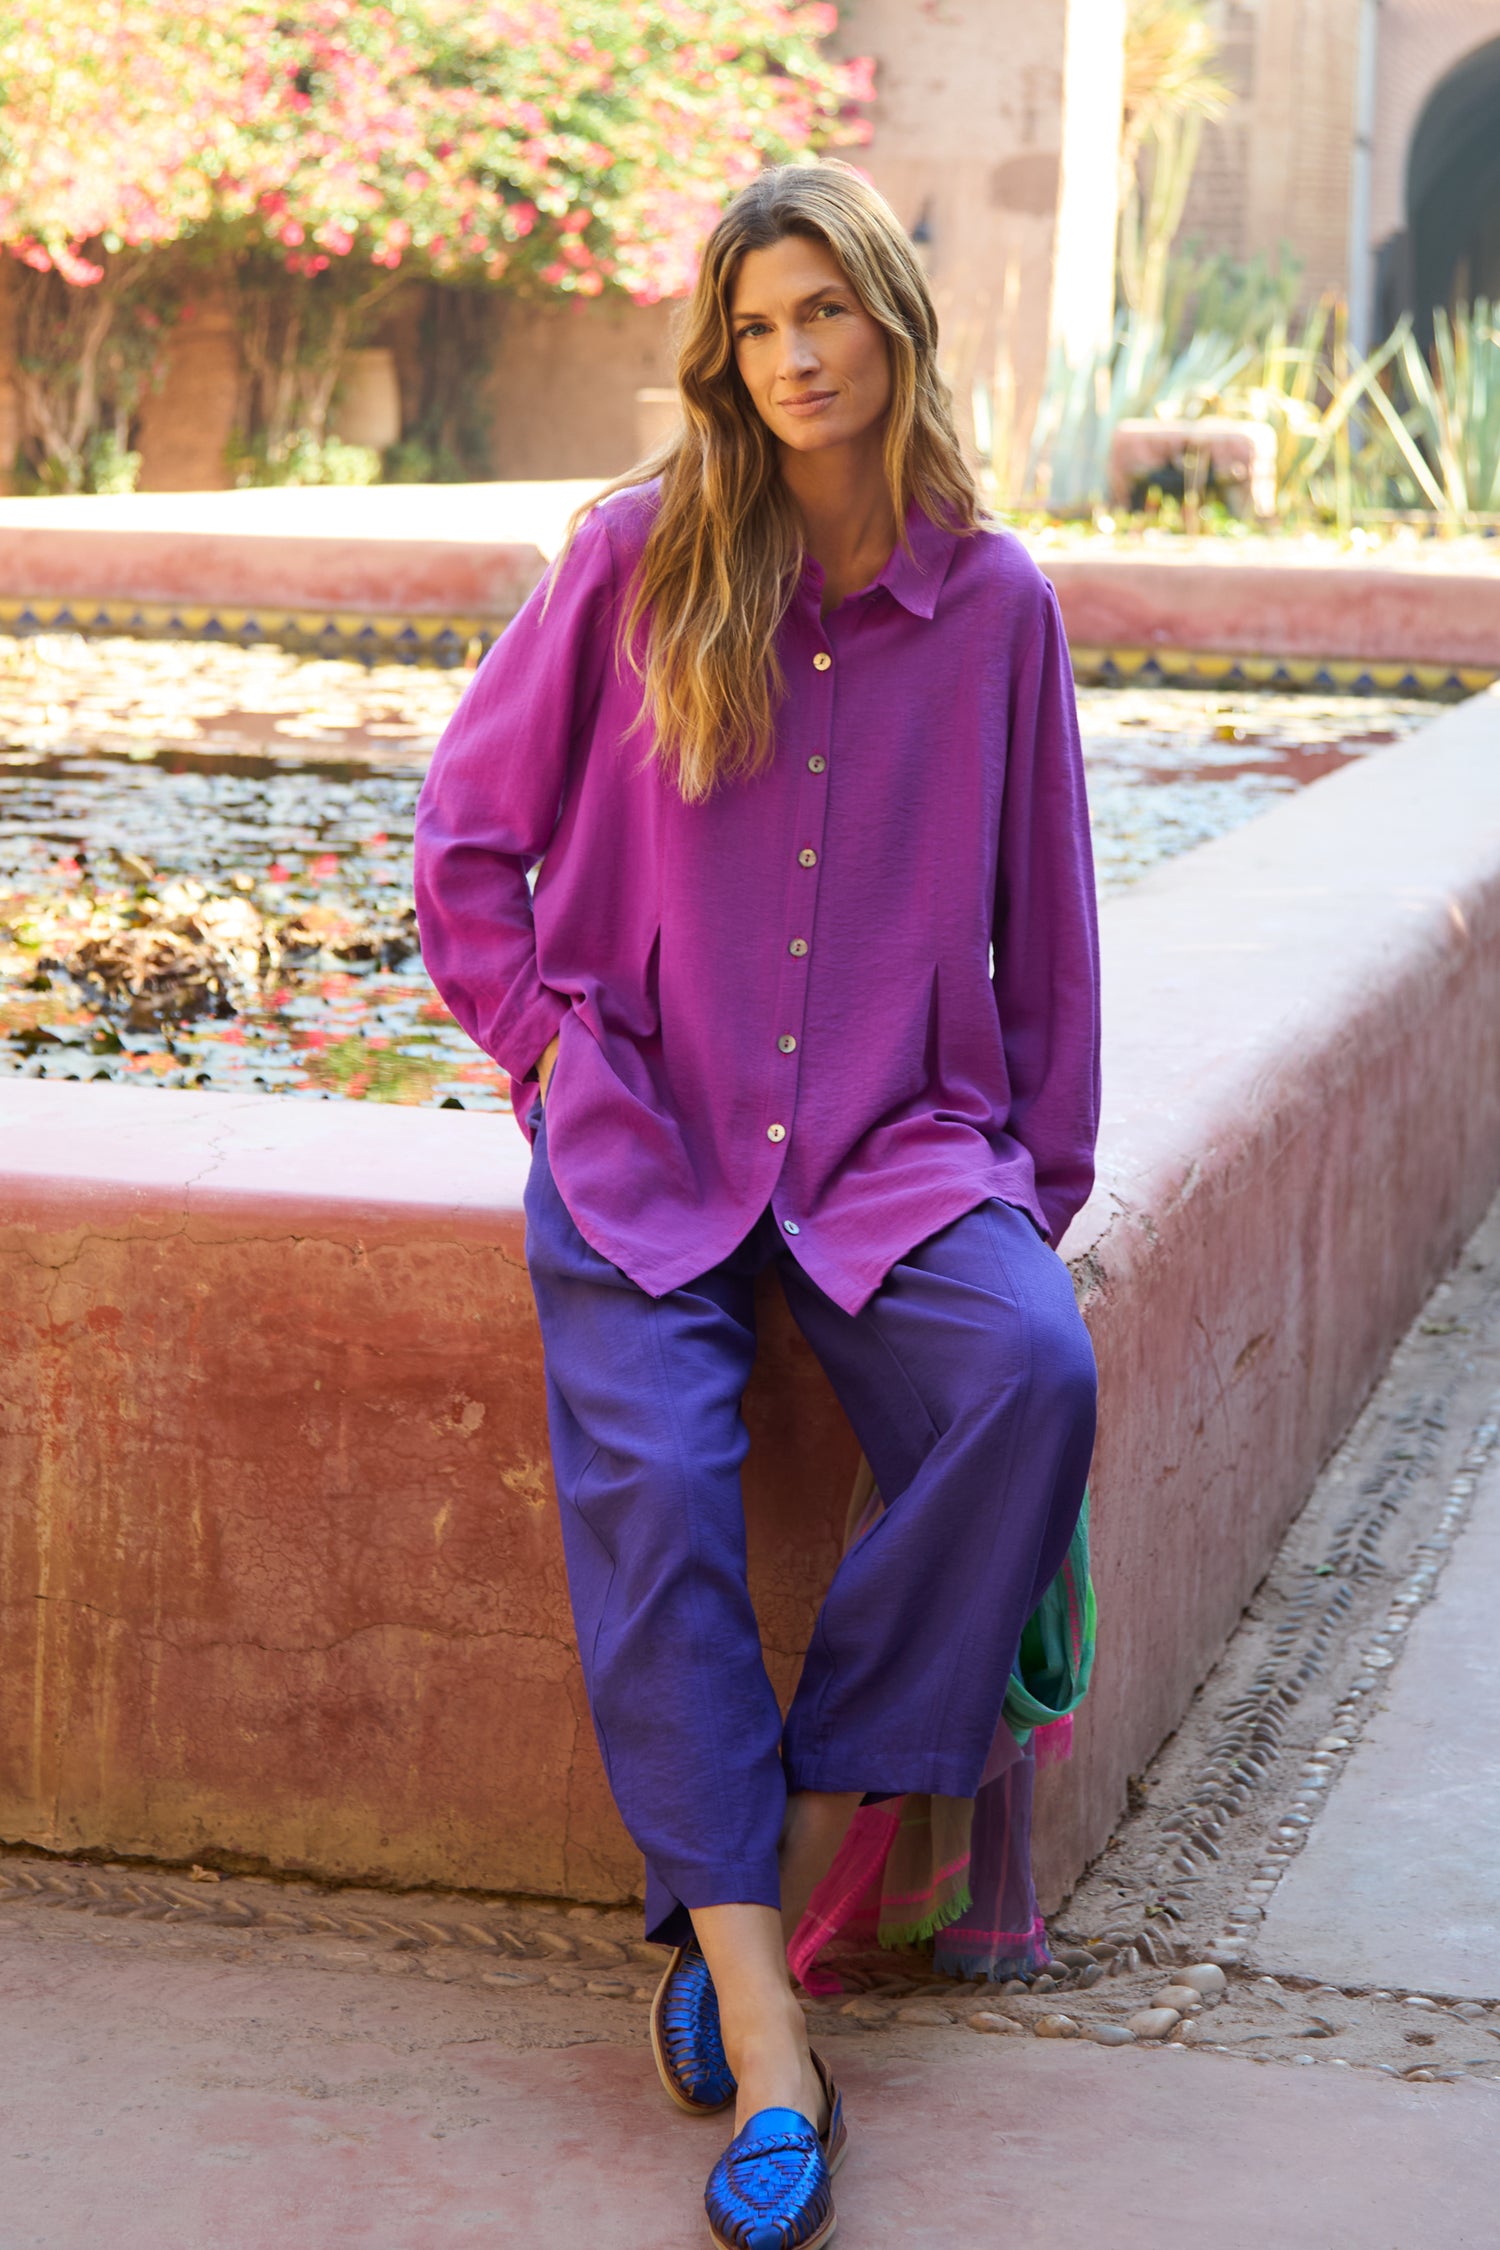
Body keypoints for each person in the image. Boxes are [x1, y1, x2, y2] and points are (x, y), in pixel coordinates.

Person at [414, 160, 1099, 2250]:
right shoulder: (636, 561)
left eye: (827, 313)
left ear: (894, 320)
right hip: (644, 1138)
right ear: (724, 355)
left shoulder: (994, 604)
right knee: (655, 1510)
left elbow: (1046, 945)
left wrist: (1024, 1196)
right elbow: (466, 843)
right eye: (757, 325)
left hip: (898, 1155)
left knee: (1032, 1379)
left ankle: (770, 1874)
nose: (796, 358)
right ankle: (772, 2034)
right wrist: (545, 1051)